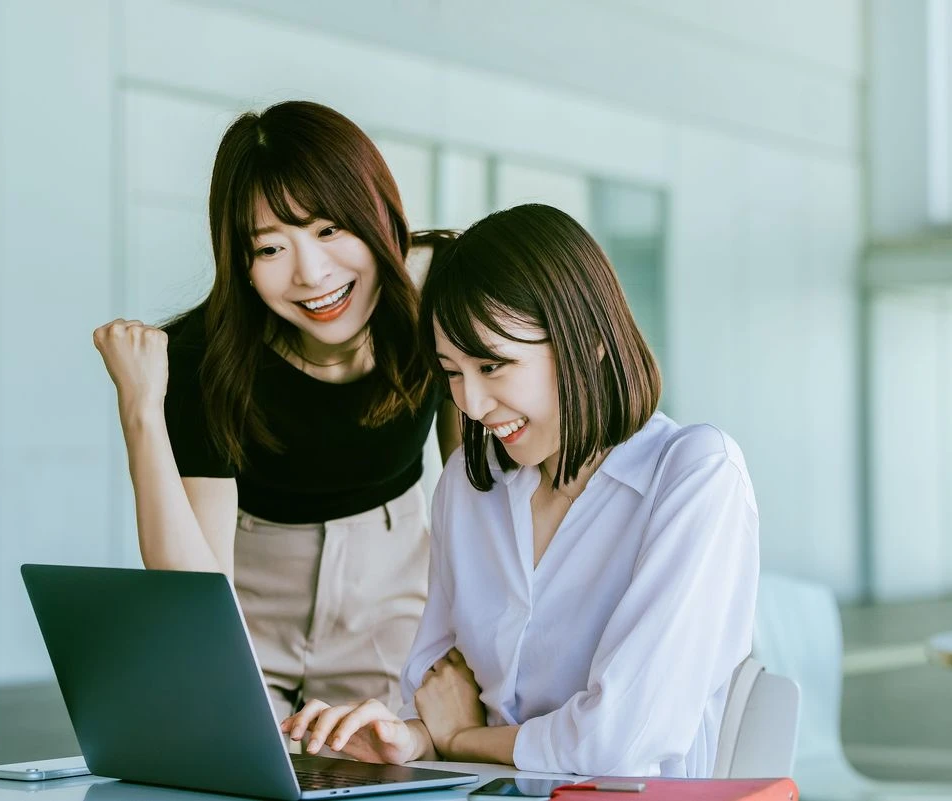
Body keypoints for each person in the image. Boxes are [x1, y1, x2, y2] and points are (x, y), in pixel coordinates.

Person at [281, 203, 759, 777]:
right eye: (453, 372)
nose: (472, 406)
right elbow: (434, 697)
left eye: (493, 365)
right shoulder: (469, 484)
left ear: (587, 342)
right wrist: (406, 740)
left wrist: (464, 739)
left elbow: (616, 744)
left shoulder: (694, 477)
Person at [92, 101, 460, 719]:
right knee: (226, 762)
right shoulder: (204, 358)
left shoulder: (441, 289)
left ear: (378, 215)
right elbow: (195, 595)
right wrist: (141, 411)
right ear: (240, 260)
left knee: (396, 773)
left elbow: (475, 480)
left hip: (394, 590)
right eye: (270, 248)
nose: (312, 275)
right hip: (249, 598)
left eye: (327, 230)